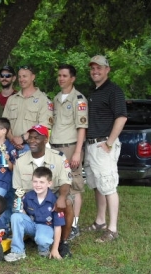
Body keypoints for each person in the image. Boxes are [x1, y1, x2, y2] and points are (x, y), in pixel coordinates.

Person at [12, 125, 74, 258]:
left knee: (67, 203)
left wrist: (62, 197)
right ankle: (29, 237)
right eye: (30, 137)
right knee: (16, 213)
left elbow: (65, 181)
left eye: (37, 138)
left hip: (54, 194)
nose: (32, 141)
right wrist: (20, 206)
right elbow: (18, 189)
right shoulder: (20, 160)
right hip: (31, 197)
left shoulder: (58, 157)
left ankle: (63, 241)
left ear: (45, 140)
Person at [85, 55, 127, 242]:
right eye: (93, 68)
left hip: (104, 145)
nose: (95, 71)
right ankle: (100, 221)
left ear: (107, 70)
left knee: (108, 186)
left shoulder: (114, 90)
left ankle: (112, 229)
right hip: (91, 145)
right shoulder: (93, 92)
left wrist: (110, 142)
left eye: (99, 68)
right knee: (97, 185)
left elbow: (121, 117)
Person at [49, 64, 88, 240]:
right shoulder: (56, 99)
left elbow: (82, 127)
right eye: (59, 75)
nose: (61, 78)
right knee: (58, 183)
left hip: (71, 146)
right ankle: (61, 220)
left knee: (74, 185)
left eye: (65, 76)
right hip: (55, 146)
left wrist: (78, 152)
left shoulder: (78, 99)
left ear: (72, 78)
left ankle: (74, 225)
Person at [5, 167, 65, 262]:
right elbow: (25, 216)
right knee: (15, 216)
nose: (38, 185)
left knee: (42, 239)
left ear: (49, 183)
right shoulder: (28, 196)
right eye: (35, 181)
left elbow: (58, 226)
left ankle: (44, 249)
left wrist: (55, 249)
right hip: (32, 225)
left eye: (41, 182)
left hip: (46, 228)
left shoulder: (54, 201)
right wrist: (20, 209)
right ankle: (18, 251)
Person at [3, 65, 53, 155]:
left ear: (33, 77)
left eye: (25, 76)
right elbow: (4, 123)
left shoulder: (44, 100)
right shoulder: (12, 99)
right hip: (10, 145)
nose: (21, 79)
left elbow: (44, 127)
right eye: (19, 77)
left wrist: (22, 138)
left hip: (31, 147)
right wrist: (12, 139)